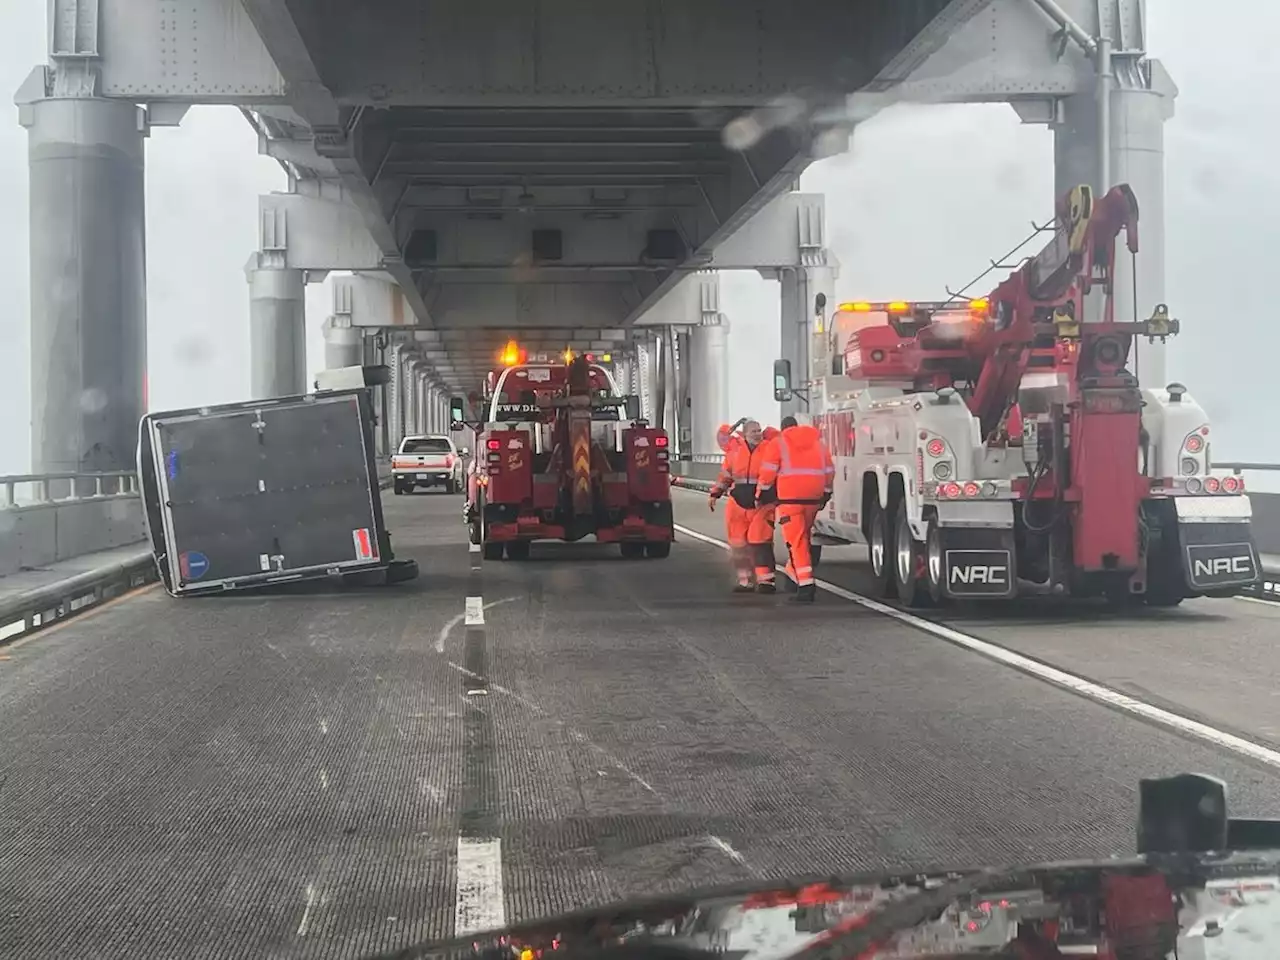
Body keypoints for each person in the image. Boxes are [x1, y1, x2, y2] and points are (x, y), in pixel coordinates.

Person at [755, 414, 834, 602]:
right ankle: (792, 576)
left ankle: (806, 585)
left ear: (783, 429)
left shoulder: (779, 444)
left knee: (796, 542)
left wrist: (761, 494)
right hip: (813, 499)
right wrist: (826, 493)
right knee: (803, 538)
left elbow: (767, 472)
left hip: (790, 500)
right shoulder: (819, 444)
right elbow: (829, 471)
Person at [709, 419, 777, 593]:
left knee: (761, 542)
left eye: (759, 430)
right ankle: (745, 580)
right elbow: (726, 475)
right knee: (738, 544)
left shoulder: (770, 447)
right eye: (754, 431)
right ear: (744, 434)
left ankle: (766, 581)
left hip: (762, 503)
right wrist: (715, 493)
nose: (758, 434)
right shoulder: (735, 451)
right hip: (738, 504)